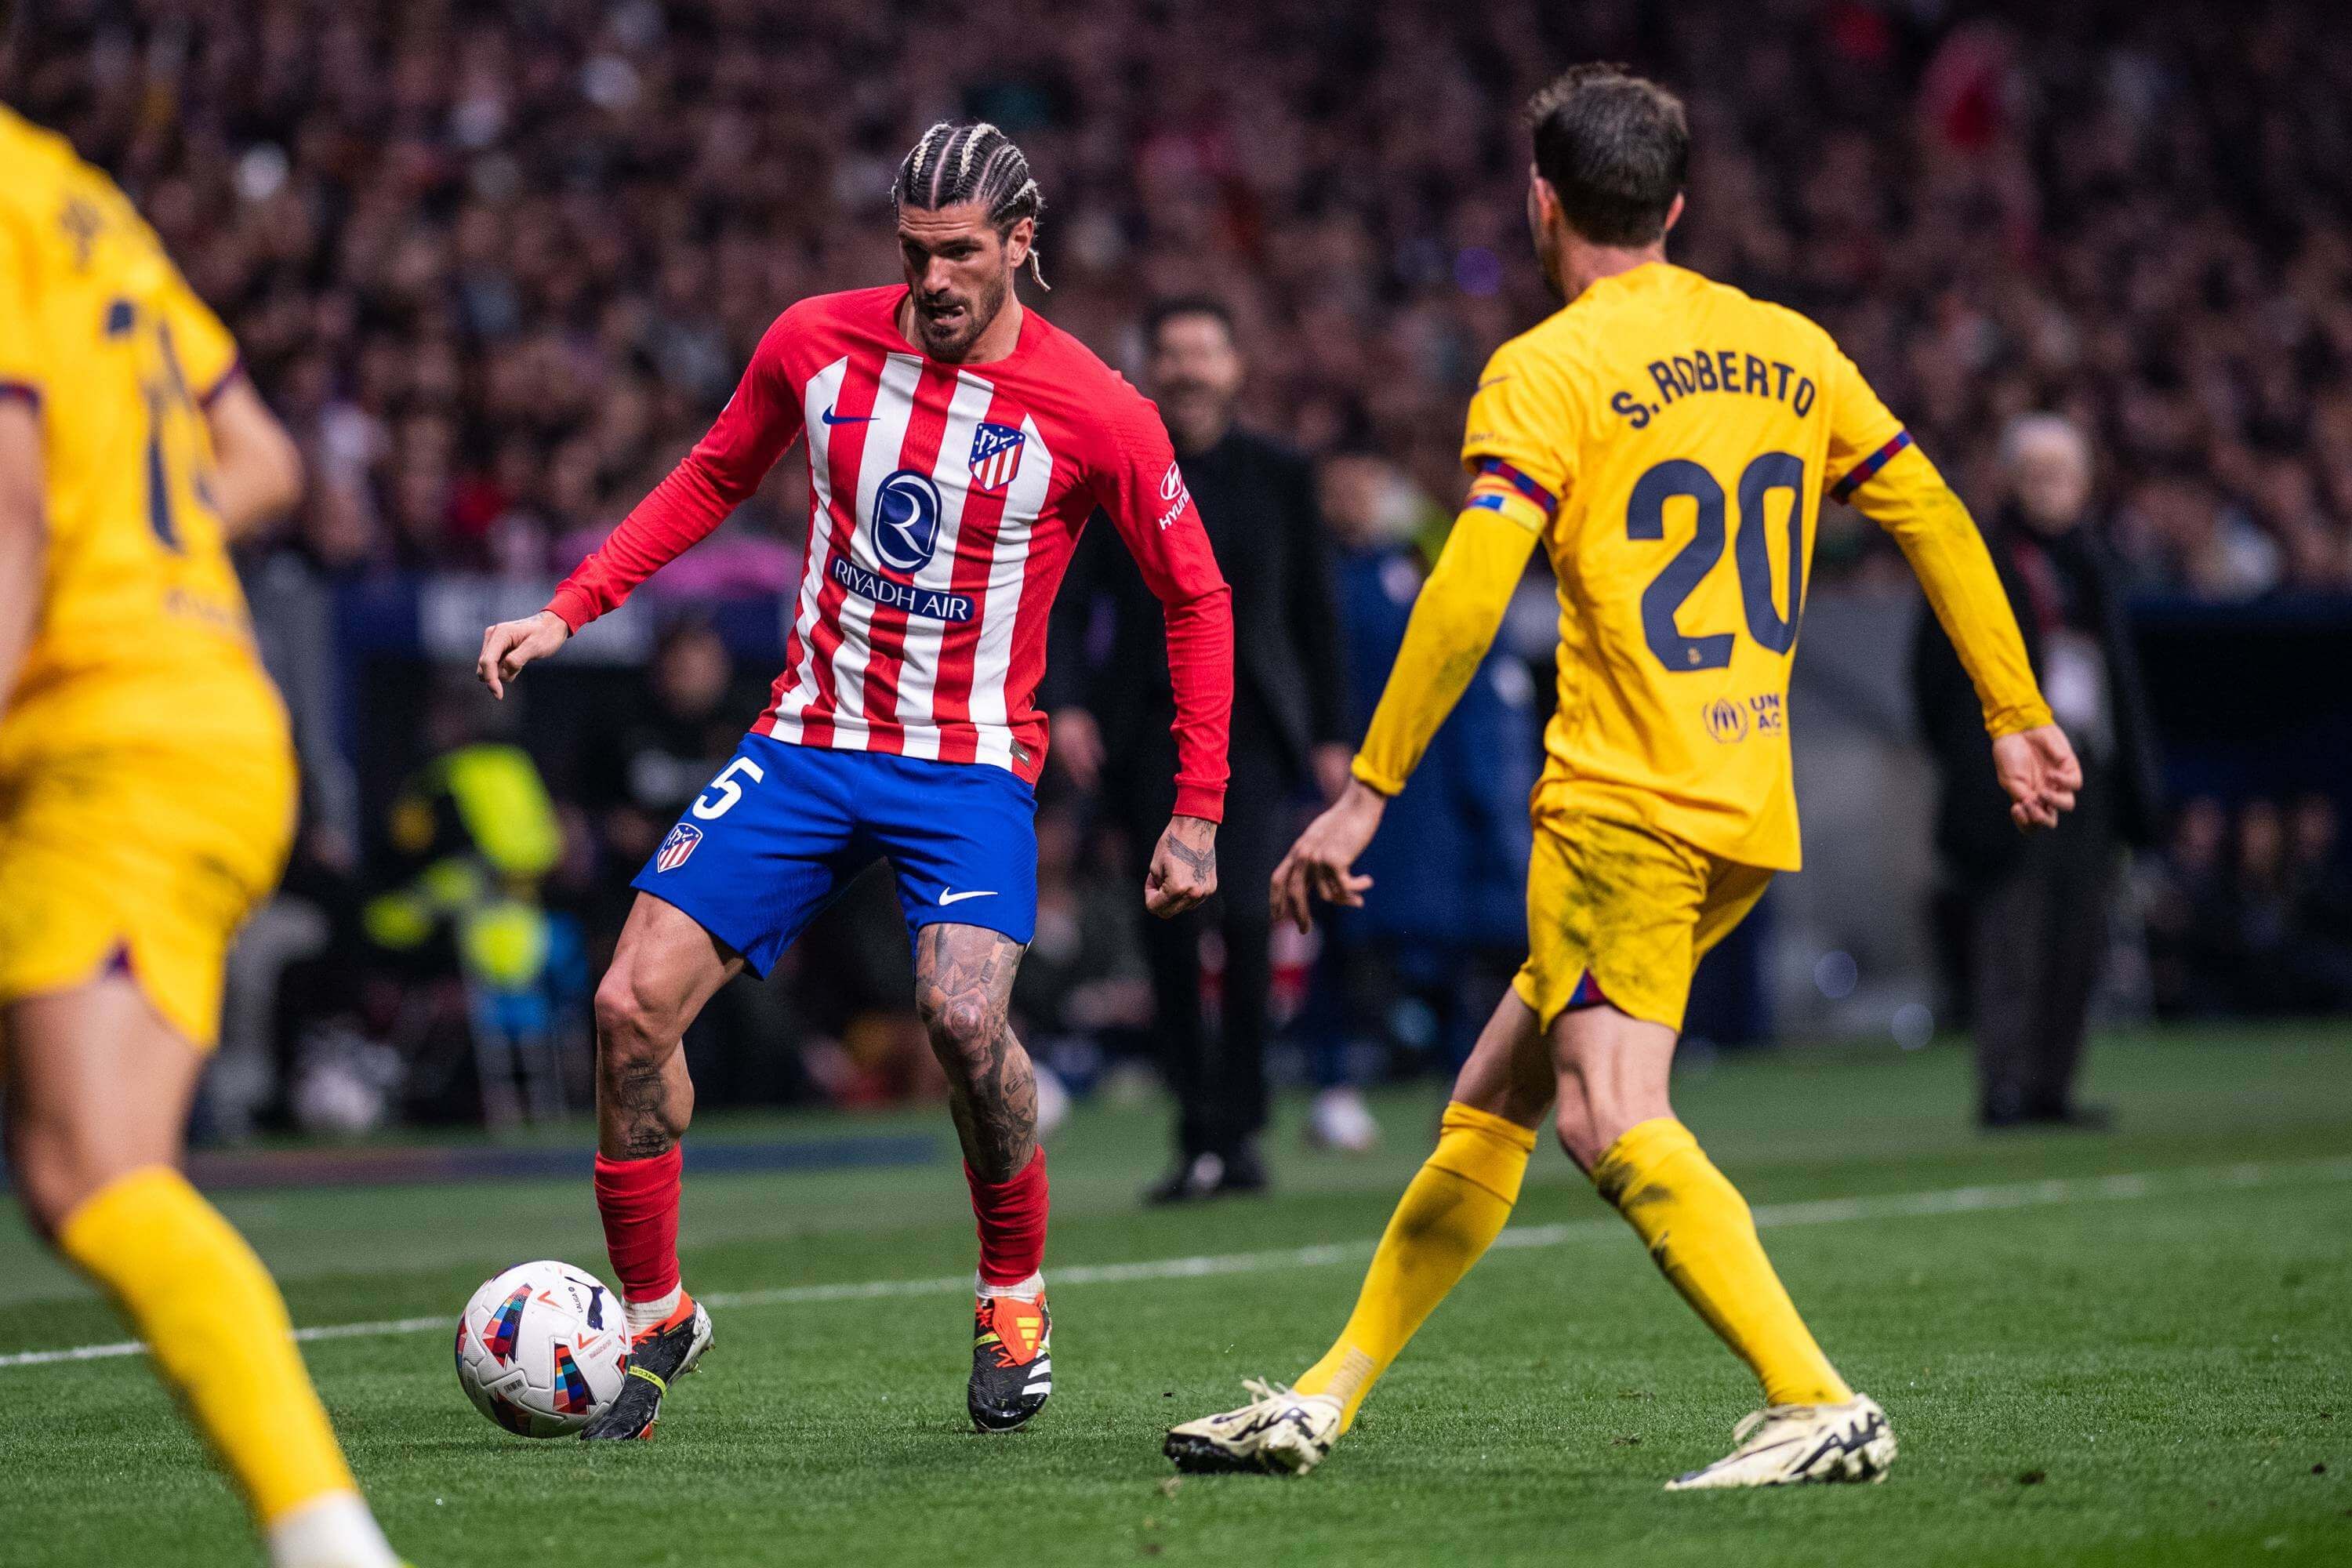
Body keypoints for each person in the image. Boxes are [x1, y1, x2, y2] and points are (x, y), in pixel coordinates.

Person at [1165, 64, 2080, 1490]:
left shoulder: (1548, 368)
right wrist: (2012, 709)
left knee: (1606, 1111)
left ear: (1544, 202)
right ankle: (1326, 1394)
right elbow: (1933, 510)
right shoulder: (1791, 348)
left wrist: (1368, 792)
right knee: (1493, 1099)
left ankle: (1816, 1396)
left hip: (1618, 806)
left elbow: (1469, 591)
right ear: (1676, 202)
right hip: (1739, 810)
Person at [476, 121, 1234, 1441]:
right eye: (913, 252)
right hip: (809, 744)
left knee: (960, 1017)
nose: (932, 279)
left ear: (1020, 246)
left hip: (967, 769)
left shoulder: (1100, 410)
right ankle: (656, 1319)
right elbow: (715, 474)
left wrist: (1200, 808)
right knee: (627, 1005)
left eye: (959, 254)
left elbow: (1197, 596)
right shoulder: (815, 344)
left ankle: (1013, 1294)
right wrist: (571, 608)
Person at [0, 93, 405, 1568]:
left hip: (110, 741)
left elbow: (9, 510)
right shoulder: (72, 196)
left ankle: (329, 1546)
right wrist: (140, 559)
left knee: (94, 1173)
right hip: (191, 710)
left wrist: (88, 595)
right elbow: (260, 460)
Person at [1047, 297, 1348, 1201]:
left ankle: (1243, 1127)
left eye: (1202, 351)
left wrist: (1334, 734)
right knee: (1171, 935)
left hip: (1251, 730)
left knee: (1251, 925)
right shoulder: (1117, 463)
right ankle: (1195, 1134)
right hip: (1148, 731)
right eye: (1170, 352)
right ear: (1152, 366)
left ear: (1234, 366)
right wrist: (1063, 702)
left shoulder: (1282, 474)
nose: (1186, 368)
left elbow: (1315, 614)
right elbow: (1065, 592)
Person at [1911, 413, 2162, 1127]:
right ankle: (2006, 1089)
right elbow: (1931, 676)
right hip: (2012, 775)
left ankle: (2052, 1087)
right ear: (2012, 481)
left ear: (2086, 484)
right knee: (2010, 934)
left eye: (2063, 473)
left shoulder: (2093, 564)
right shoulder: (1981, 556)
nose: (2050, 488)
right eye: (2036, 473)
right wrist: (1969, 761)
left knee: (2078, 934)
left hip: (2090, 768)